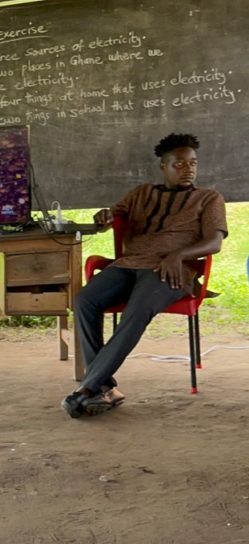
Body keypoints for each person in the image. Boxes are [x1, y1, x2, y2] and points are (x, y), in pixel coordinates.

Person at [61, 133, 226, 418]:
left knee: (137, 310)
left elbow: (214, 242)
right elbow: (113, 215)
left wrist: (178, 255)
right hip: (128, 265)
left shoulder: (208, 199)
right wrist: (104, 216)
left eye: (193, 164)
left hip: (171, 271)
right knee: (85, 300)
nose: (188, 169)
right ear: (163, 167)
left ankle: (87, 390)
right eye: (180, 164)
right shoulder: (141, 193)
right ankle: (104, 385)